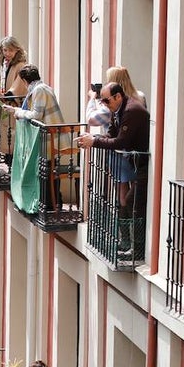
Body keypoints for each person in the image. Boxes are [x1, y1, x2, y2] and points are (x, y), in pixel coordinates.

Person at [76, 81, 151, 256]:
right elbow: (112, 133)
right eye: (101, 101)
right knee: (131, 200)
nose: (103, 104)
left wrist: (94, 141)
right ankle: (131, 245)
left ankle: (138, 249)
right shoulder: (119, 109)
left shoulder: (131, 111)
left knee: (133, 201)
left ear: (118, 96)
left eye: (106, 101)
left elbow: (121, 141)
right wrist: (93, 136)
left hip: (143, 163)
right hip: (135, 163)